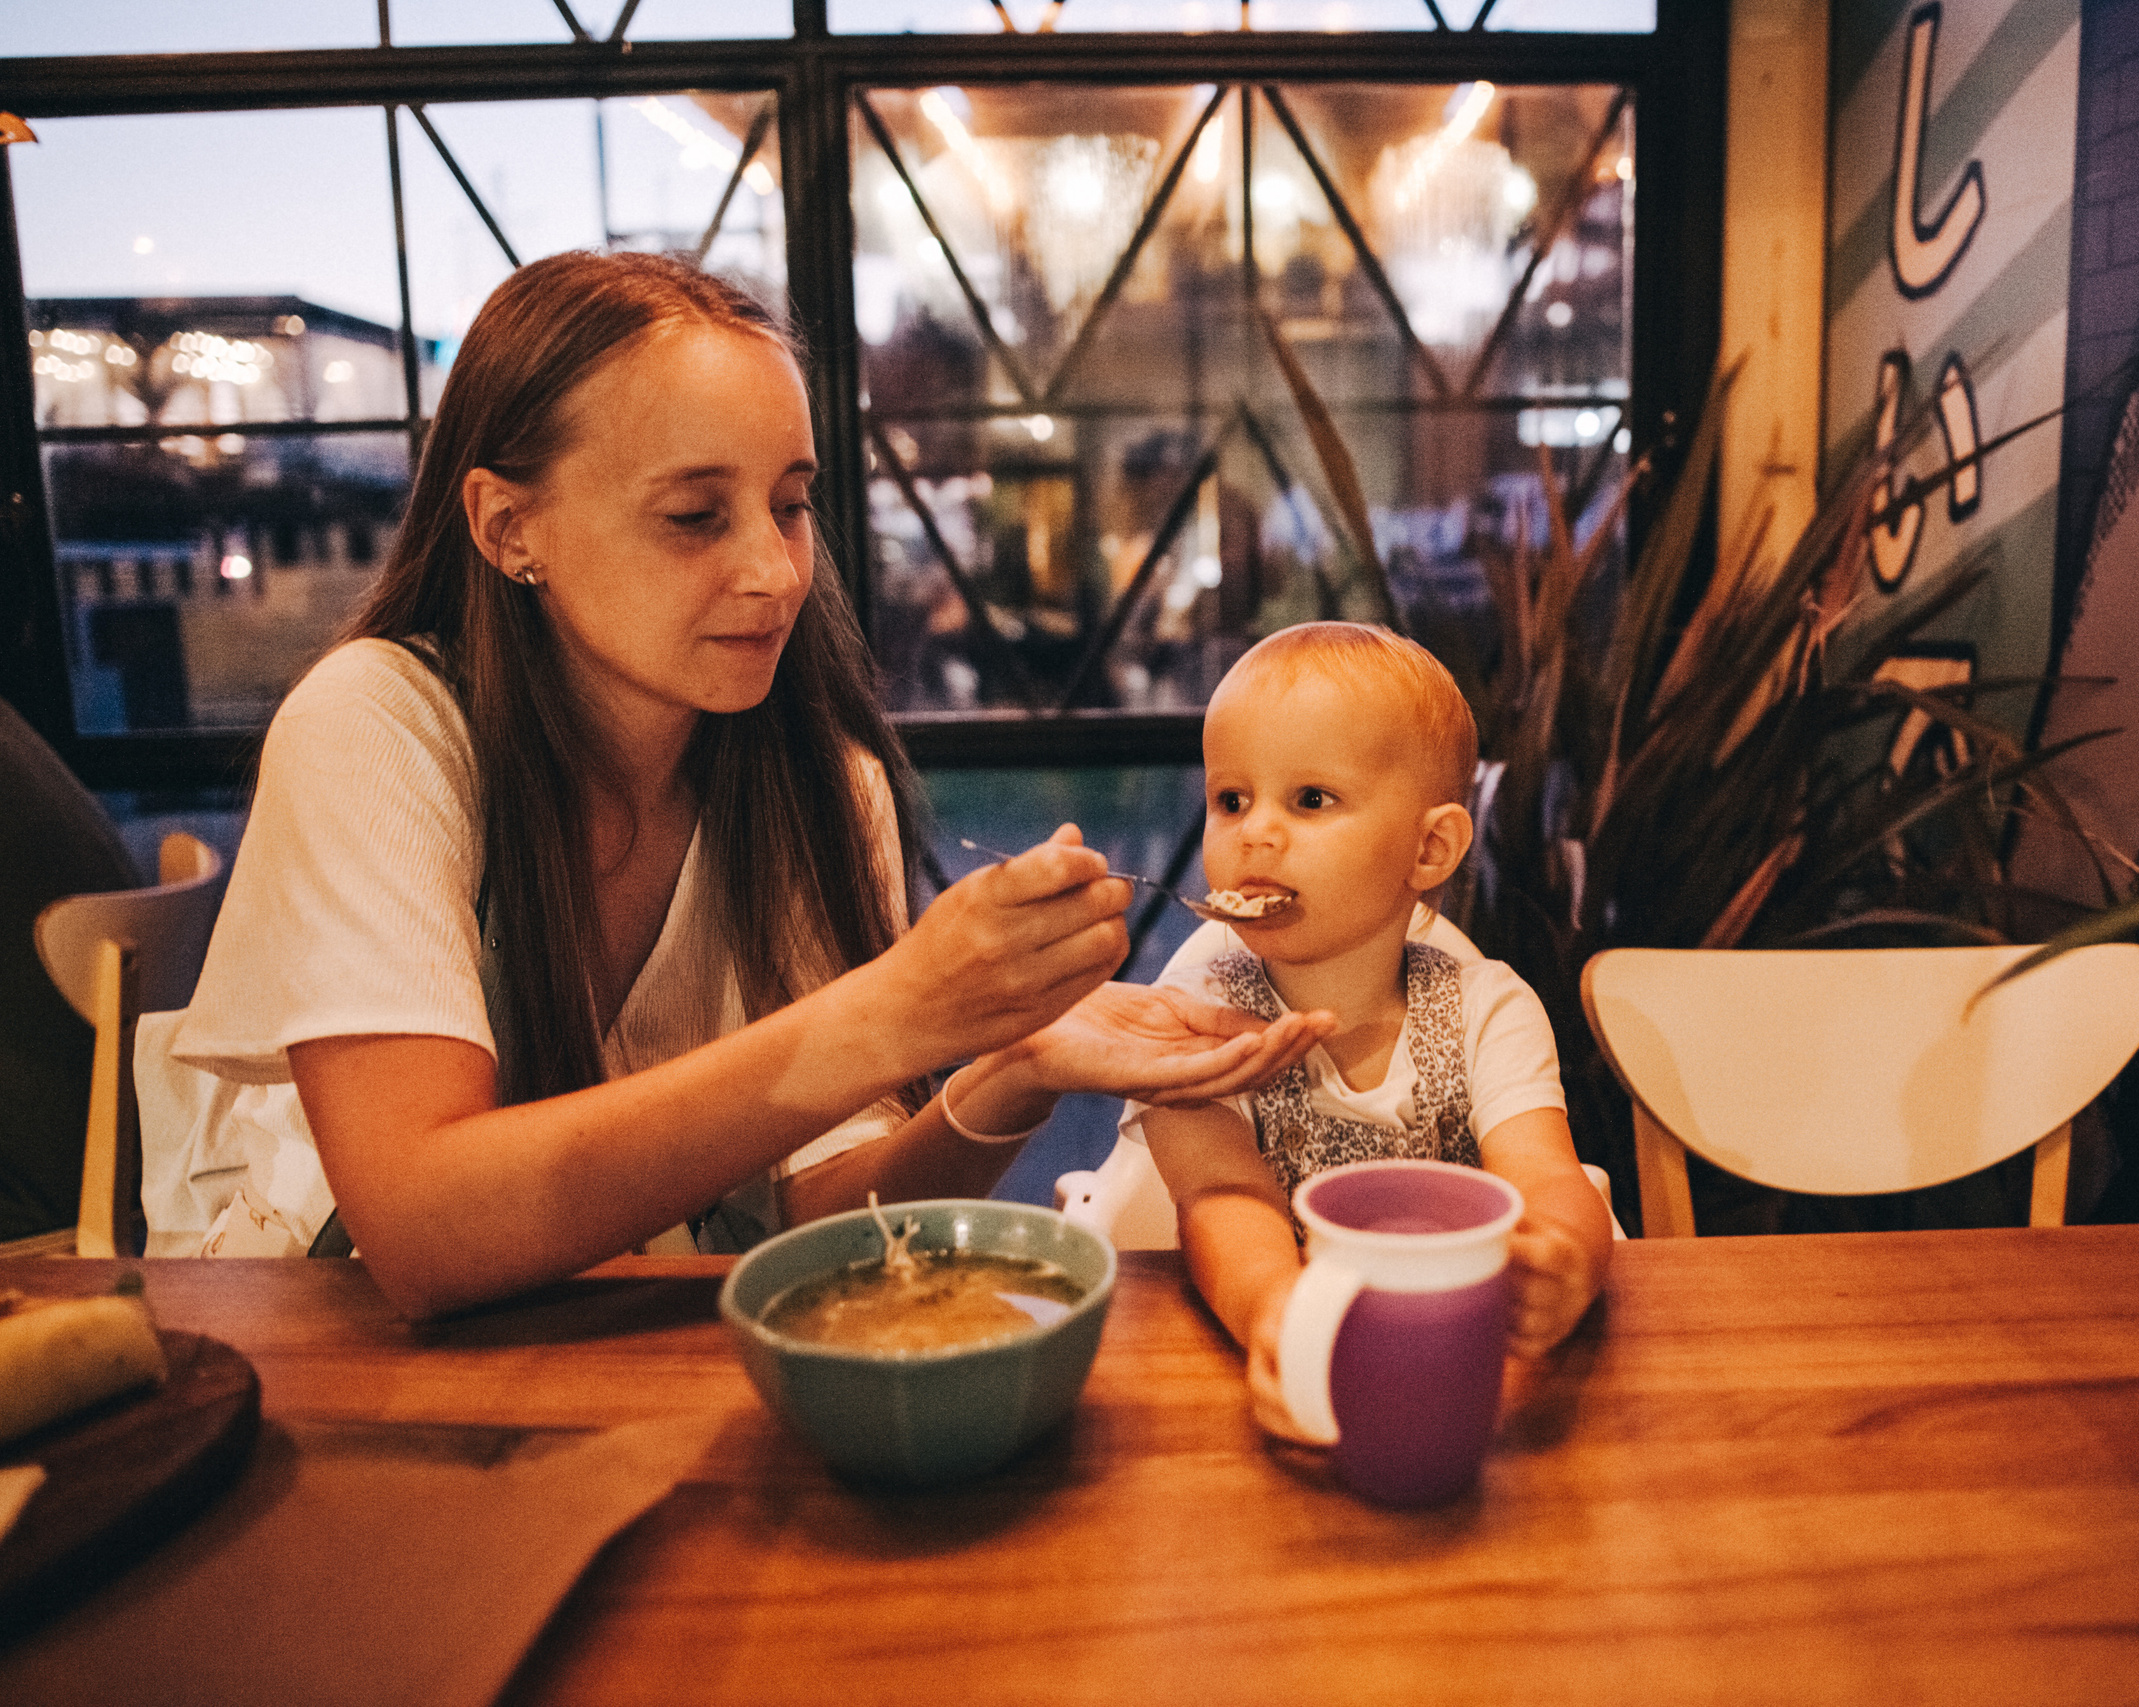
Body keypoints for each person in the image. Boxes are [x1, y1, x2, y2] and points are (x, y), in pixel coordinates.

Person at [142, 250, 1327, 1318]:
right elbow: (421, 1229)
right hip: (326, 1345)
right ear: (509, 527)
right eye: (695, 516)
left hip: (616, 1346)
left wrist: (1008, 1068)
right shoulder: (378, 728)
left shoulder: (817, 783)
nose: (774, 570)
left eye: (792, 505)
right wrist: (892, 1013)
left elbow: (829, 1228)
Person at [1128, 623, 1612, 1439]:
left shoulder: (1488, 1009)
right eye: (1231, 799)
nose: (1256, 831)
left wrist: (1561, 1256)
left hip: (1454, 1360)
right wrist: (1275, 1309)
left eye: (1310, 799)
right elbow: (1220, 1196)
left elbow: (1548, 1176)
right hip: (1280, 1360)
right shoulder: (1189, 1021)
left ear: (1430, 848)